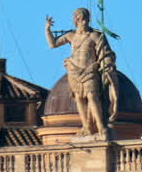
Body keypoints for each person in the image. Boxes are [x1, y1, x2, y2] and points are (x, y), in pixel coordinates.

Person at [45, 8, 117, 136]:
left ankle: (101, 127)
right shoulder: (70, 36)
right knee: (79, 98)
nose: (85, 22)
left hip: (90, 71)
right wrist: (47, 30)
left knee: (92, 96)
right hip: (74, 70)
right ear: (76, 20)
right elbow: (53, 44)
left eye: (86, 20)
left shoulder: (95, 35)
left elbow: (106, 53)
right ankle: (86, 127)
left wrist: (107, 63)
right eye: (82, 20)